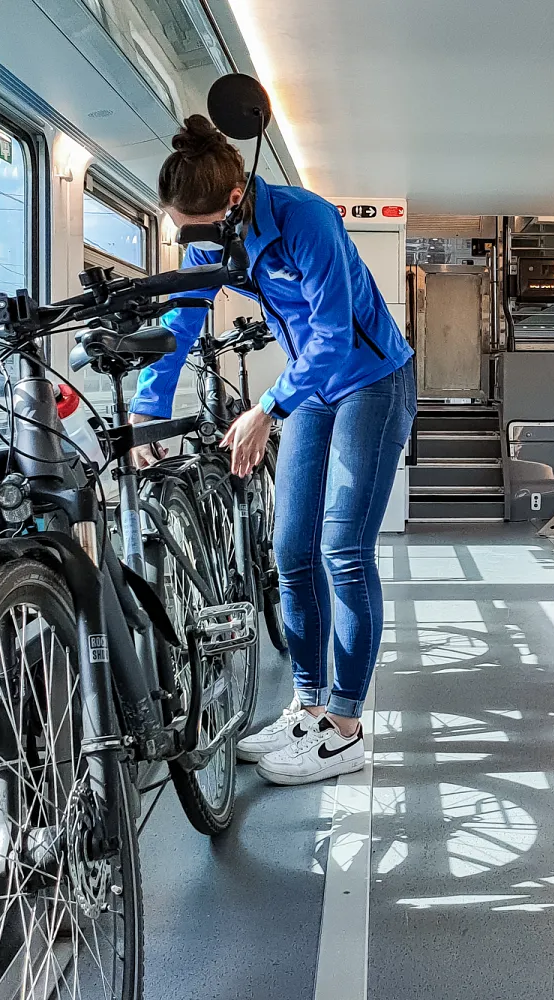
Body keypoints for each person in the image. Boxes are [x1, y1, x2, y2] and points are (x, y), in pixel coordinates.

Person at [130, 115, 415, 785]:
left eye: (195, 231)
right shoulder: (213, 241)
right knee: (291, 552)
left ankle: (345, 726)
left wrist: (267, 407)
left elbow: (334, 334)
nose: (191, 244)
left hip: (372, 380)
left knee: (343, 550)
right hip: (312, 388)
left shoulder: (305, 219)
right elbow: (182, 316)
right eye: (182, 233)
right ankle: (309, 706)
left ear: (234, 201)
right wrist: (149, 404)